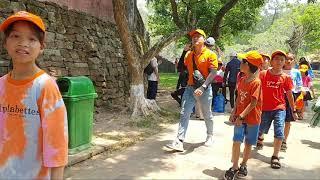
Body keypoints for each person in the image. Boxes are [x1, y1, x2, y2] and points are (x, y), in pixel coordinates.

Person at [0, 11, 68, 179]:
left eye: (32, 39)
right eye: (15, 36)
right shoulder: (1, 85)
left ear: (41, 47)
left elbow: (56, 144)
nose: (23, 43)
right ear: (5, 43)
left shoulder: (45, 86)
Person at [166, 29, 218, 151]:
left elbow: (213, 73)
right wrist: (184, 52)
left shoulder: (210, 54)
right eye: (193, 36)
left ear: (204, 40)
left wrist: (203, 86)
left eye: (198, 36)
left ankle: (210, 135)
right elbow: (180, 68)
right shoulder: (189, 54)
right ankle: (179, 140)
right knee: (184, 112)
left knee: (207, 114)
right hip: (190, 88)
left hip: (204, 88)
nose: (195, 38)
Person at [224, 51, 263, 180]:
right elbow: (239, 97)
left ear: (249, 65)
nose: (240, 63)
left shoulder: (256, 82)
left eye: (243, 62)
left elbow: (253, 103)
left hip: (252, 118)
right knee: (236, 140)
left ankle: (243, 164)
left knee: (248, 143)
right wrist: (234, 112)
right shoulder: (241, 79)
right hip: (239, 117)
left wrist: (241, 116)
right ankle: (234, 166)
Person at [257, 50, 297, 169]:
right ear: (271, 61)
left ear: (284, 62)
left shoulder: (286, 78)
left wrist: (293, 110)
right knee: (262, 129)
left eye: (282, 60)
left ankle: (275, 156)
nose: (279, 61)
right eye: (277, 59)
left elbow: (289, 95)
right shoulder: (263, 74)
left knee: (279, 131)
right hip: (265, 108)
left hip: (280, 108)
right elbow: (257, 89)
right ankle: (260, 137)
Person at [281, 53, 302, 151]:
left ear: (294, 61)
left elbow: (299, 86)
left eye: (291, 59)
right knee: (278, 119)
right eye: (287, 59)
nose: (289, 61)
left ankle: (284, 140)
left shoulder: (296, 72)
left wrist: (295, 100)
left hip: (291, 97)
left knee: (288, 121)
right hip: (279, 97)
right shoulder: (279, 70)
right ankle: (278, 137)